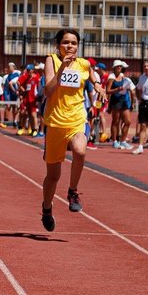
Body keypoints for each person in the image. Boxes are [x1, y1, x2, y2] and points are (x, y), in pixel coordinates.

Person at [39, 28, 92, 232]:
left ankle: (72, 191)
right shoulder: (51, 60)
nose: (70, 46)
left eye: (73, 43)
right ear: (58, 45)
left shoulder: (84, 64)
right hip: (55, 123)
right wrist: (63, 68)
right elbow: (48, 90)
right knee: (53, 176)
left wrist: (98, 87)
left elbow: (91, 79)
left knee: (80, 150)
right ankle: (46, 208)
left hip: (77, 119)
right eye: (66, 43)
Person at [106, 61, 134, 149]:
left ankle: (123, 141)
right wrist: (118, 89)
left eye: (120, 66)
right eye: (117, 66)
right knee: (116, 121)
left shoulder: (123, 76)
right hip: (115, 100)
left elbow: (130, 87)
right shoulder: (111, 77)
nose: (119, 67)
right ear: (114, 68)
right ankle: (114, 141)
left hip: (124, 101)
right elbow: (108, 91)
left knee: (128, 121)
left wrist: (132, 101)